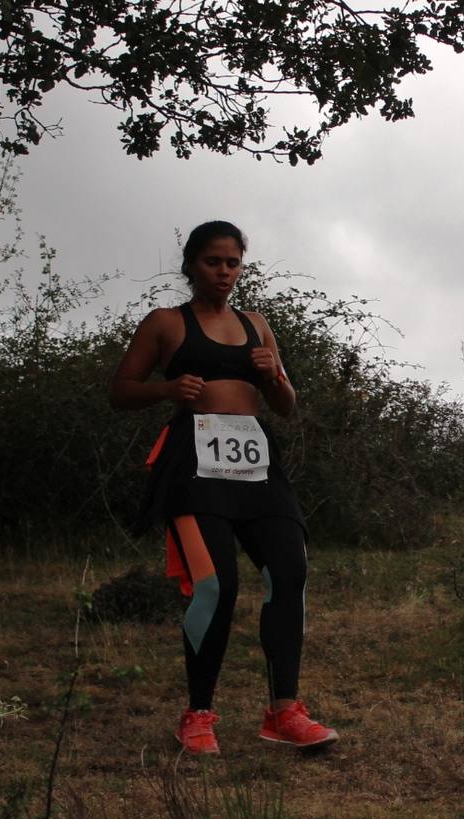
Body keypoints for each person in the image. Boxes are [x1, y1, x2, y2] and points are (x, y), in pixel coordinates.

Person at [109, 220, 338, 756]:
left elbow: (286, 405)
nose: (225, 272)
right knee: (216, 585)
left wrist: (275, 376)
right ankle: (198, 714)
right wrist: (166, 388)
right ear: (190, 264)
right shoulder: (166, 323)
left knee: (290, 572)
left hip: (257, 464)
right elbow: (120, 390)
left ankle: (284, 712)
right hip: (193, 462)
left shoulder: (257, 325)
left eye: (233, 262)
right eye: (214, 261)